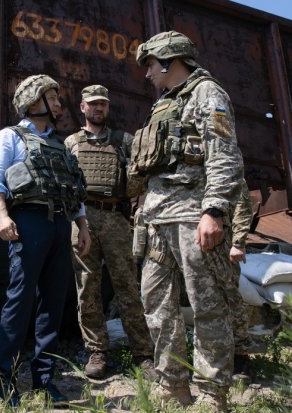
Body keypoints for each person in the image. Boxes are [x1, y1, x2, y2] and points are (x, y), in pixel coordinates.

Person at [130, 31, 244, 410]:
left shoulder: (208, 94)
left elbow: (224, 157)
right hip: (158, 218)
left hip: (193, 215)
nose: (147, 73)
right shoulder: (164, 104)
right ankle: (172, 385)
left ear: (168, 60)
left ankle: (212, 395)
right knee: (156, 304)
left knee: (206, 305)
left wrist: (213, 211)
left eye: (150, 64)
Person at [0, 74, 91, 406]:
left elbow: (74, 189)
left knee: (54, 303)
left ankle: (45, 381)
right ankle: (6, 378)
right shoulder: (10, 136)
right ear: (34, 101)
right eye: (52, 96)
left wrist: (82, 226)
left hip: (60, 224)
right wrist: (3, 216)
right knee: (19, 300)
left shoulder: (61, 144)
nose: (59, 102)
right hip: (27, 222)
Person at [64, 85, 154, 380]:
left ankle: (143, 352)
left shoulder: (123, 141)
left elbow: (142, 173)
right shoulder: (71, 143)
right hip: (83, 218)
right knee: (87, 287)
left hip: (116, 218)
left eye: (103, 104)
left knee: (128, 285)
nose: (98, 109)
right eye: (93, 104)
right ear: (83, 107)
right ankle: (97, 351)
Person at [227, 179, 254, 381]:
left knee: (231, 300)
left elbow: (243, 204)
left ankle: (241, 357)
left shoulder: (224, 162)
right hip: (189, 242)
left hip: (222, 245)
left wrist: (238, 242)